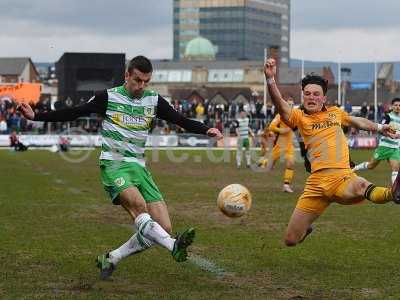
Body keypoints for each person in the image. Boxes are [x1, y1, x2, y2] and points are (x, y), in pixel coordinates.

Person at [19, 55, 223, 279]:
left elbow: (180, 120)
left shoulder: (153, 100)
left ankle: (113, 257)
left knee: (162, 228)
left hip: (139, 167)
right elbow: (74, 112)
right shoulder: (109, 97)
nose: (141, 86)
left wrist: (206, 130)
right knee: (138, 206)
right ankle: (174, 246)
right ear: (127, 75)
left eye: (146, 81)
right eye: (137, 80)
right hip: (114, 164)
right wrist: (36, 115)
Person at [264, 58, 400, 247]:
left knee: (361, 185)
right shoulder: (299, 117)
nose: (311, 97)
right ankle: (306, 229)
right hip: (316, 186)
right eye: (307, 94)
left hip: (342, 177)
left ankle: (393, 193)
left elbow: (358, 121)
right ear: (303, 96)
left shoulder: (335, 113)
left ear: (323, 98)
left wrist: (380, 127)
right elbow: (280, 105)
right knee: (290, 240)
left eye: (316, 94)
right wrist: (270, 80)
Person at [353, 98, 400, 184]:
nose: (398, 107)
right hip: (384, 146)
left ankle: (395, 191)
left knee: (396, 168)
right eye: (396, 105)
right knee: (371, 166)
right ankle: (354, 168)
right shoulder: (388, 117)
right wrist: (391, 135)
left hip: (395, 148)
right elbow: (381, 130)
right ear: (392, 106)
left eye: (399, 105)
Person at [264, 99, 296, 193]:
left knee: (291, 163)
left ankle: (286, 185)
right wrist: (282, 131)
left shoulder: (295, 116)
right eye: (289, 104)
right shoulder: (280, 116)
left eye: (292, 105)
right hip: (279, 146)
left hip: (289, 146)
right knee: (268, 164)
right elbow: (271, 127)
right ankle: (264, 161)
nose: (290, 106)